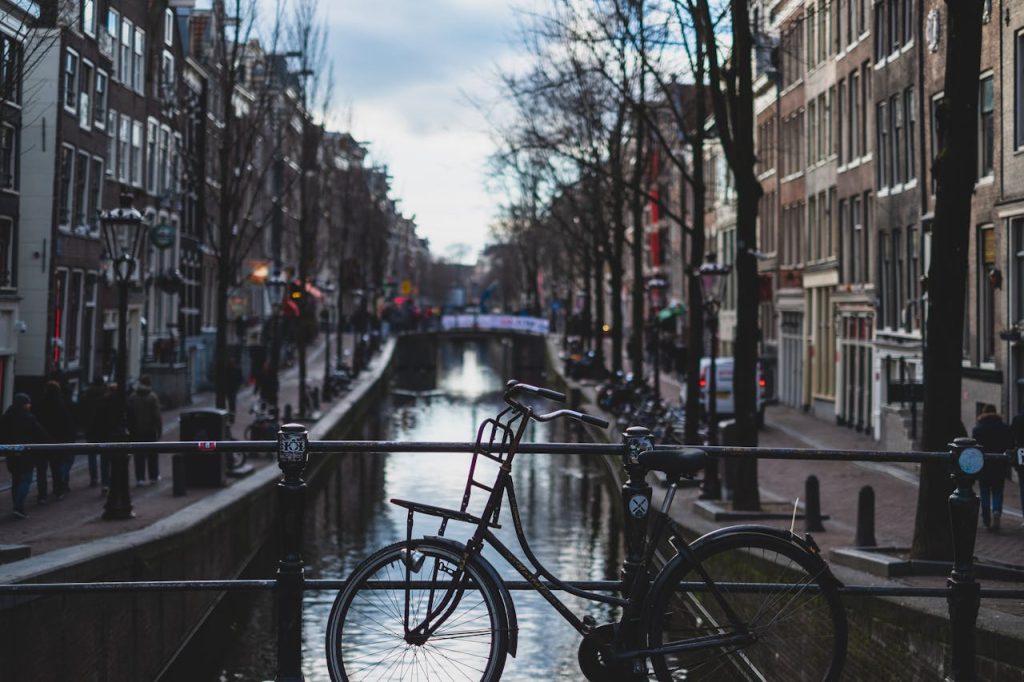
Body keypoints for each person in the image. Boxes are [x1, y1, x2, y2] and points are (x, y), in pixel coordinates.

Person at [1, 394, 49, 518]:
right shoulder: (29, 418)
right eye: (28, 403)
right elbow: (40, 433)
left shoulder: (6, 417)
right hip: (26, 454)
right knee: (26, 478)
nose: (30, 405)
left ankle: (16, 506)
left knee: (16, 480)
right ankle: (19, 506)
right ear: (24, 404)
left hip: (11, 453)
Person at [972, 404, 1014, 530]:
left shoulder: (978, 429)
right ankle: (996, 511)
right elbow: (1010, 444)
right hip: (999, 464)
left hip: (984, 465)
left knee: (984, 491)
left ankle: (986, 518)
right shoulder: (1004, 428)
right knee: (997, 490)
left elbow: (975, 448)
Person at [35, 381, 76, 499]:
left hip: (42, 441)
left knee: (41, 470)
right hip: (57, 441)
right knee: (56, 468)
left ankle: (42, 495)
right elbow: (66, 424)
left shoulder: (40, 404)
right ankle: (58, 491)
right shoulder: (61, 405)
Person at [126, 376, 163, 486]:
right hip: (150, 430)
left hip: (136, 431)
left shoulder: (133, 397)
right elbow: (157, 416)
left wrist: (130, 429)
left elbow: (129, 415)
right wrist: (159, 430)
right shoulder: (152, 397)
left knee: (139, 456)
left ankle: (140, 478)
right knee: (152, 455)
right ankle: (153, 476)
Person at [78, 376, 107, 487]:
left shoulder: (86, 396)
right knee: (105, 455)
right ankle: (105, 480)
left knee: (91, 454)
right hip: (103, 428)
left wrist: (83, 425)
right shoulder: (106, 396)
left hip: (90, 428)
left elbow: (81, 412)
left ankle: (93, 478)